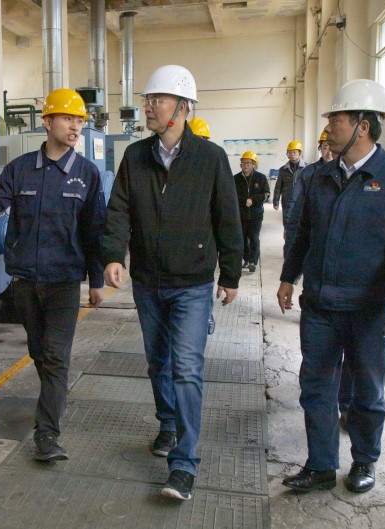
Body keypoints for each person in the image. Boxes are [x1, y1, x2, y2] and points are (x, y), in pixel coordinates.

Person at [276, 79, 385, 494]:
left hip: (369, 310)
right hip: (321, 305)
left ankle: (364, 460)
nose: (329, 128)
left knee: (366, 390)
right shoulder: (318, 178)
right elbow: (303, 234)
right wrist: (289, 277)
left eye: (337, 120)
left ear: (363, 126)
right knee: (316, 387)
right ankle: (321, 465)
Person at [103, 65, 243, 501]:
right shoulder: (135, 156)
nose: (148, 107)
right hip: (148, 282)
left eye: (157, 100)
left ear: (182, 108)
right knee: (157, 363)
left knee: (186, 368)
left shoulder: (211, 158)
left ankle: (183, 464)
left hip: (192, 284)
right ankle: (168, 423)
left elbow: (227, 217)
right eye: (147, 100)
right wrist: (114, 254)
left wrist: (231, 273)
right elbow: (119, 209)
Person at [0, 88, 106, 462]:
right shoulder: (20, 169)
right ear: (47, 122)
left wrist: (96, 280)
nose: (75, 127)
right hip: (25, 282)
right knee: (39, 352)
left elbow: (95, 230)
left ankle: (46, 434)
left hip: (64, 281)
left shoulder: (87, 174)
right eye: (67, 118)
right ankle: (55, 397)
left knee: (56, 356)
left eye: (79, 121)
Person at [284, 129, 352, 429]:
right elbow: (301, 225)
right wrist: (289, 275)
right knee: (317, 374)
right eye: (323, 144)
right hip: (319, 292)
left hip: (360, 297)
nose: (327, 149)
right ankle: (321, 458)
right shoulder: (314, 176)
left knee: (357, 368)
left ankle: (348, 409)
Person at [188, 116, 216, 335]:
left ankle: (207, 314)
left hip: (205, 242)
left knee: (204, 282)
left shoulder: (214, 166)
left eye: (203, 140)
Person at [233, 151, 270, 273]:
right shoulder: (235, 179)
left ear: (253, 164)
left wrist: (253, 200)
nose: (245, 165)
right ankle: (246, 259)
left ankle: (253, 261)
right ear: (240, 165)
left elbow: (266, 194)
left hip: (256, 214)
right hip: (241, 215)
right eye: (243, 163)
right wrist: (243, 201)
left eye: (248, 162)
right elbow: (232, 196)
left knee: (254, 237)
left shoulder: (261, 178)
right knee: (242, 238)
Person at [273, 140, 306, 257]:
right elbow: (278, 186)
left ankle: (300, 251)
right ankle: (289, 252)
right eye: (290, 153)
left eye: (294, 152)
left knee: (302, 226)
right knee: (287, 226)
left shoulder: (306, 168)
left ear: (299, 153)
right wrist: (275, 201)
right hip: (287, 202)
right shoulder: (283, 169)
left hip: (302, 202)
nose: (292, 155)